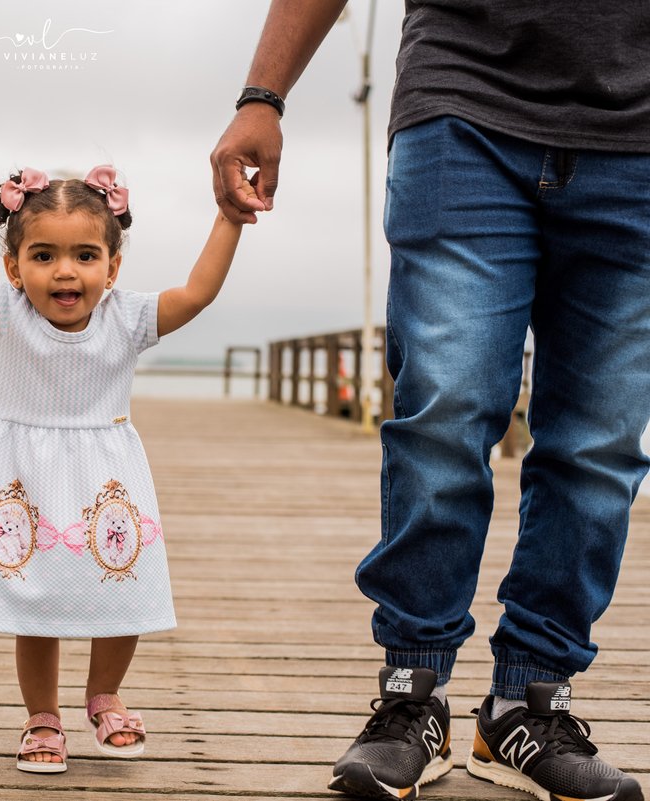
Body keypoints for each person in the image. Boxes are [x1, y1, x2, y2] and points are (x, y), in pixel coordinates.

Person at [211, 2, 650, 800]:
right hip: (462, 102)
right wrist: (262, 96)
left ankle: (530, 701)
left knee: (600, 442)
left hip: (640, 139)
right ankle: (413, 692)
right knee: (444, 409)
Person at [0, 146, 248, 772]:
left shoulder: (128, 318)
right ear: (12, 266)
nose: (65, 272)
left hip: (107, 477)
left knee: (123, 584)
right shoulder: (6, 315)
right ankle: (43, 717)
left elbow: (196, 293)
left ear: (111, 267)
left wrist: (228, 218)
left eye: (85, 256)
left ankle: (104, 693)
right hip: (25, 480)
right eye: (43, 255)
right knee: (37, 599)